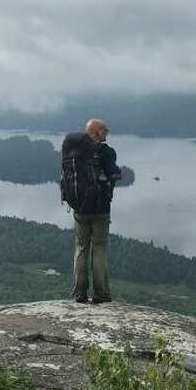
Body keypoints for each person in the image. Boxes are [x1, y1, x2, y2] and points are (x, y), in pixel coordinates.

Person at [62, 118, 121, 303]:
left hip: (79, 207)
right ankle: (101, 294)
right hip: (101, 208)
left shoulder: (73, 149)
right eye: (104, 129)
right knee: (99, 247)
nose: (107, 131)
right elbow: (114, 174)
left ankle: (80, 294)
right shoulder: (105, 151)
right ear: (95, 132)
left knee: (81, 248)